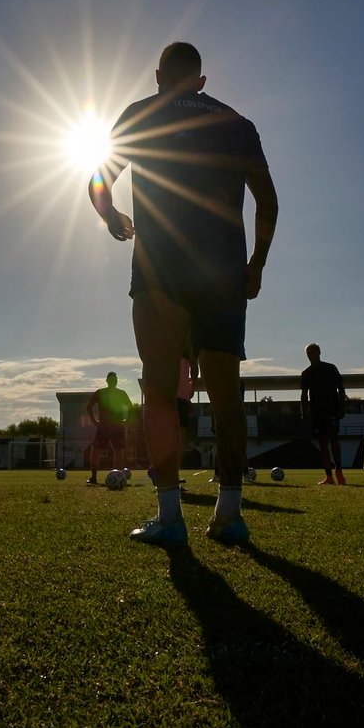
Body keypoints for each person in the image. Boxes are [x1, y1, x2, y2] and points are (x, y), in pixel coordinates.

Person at [89, 41, 278, 545]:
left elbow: (98, 180)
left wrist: (111, 218)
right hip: (222, 272)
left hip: (161, 270)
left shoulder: (140, 113)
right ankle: (230, 514)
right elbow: (268, 199)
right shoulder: (237, 123)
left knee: (156, 387)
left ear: (157, 76)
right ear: (201, 81)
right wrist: (255, 264)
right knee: (225, 393)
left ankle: (171, 517)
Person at [301, 343, 347, 485]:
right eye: (308, 353)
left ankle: (339, 472)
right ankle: (329, 476)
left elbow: (341, 388)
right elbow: (304, 394)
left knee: (334, 440)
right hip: (317, 412)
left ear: (319, 352)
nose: (311, 355)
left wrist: (342, 406)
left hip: (331, 409)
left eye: (313, 352)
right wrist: (305, 412)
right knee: (323, 444)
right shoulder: (306, 373)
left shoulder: (330, 368)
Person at [84, 372, 133, 485]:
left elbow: (130, 408)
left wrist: (127, 420)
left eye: (115, 379)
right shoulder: (100, 392)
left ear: (117, 381)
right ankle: (93, 477)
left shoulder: (121, 393)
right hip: (104, 427)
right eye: (112, 379)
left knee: (118, 452)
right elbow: (88, 407)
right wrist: (94, 421)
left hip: (117, 426)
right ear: (107, 381)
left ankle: (118, 477)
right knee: (96, 451)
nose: (114, 381)